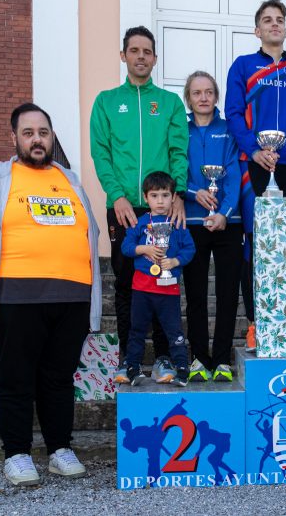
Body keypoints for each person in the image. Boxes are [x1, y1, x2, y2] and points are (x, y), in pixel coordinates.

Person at [0, 103, 101, 487]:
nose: (37, 139)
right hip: (16, 298)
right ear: (14, 138)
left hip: (72, 298)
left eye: (44, 132)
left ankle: (59, 449)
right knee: (15, 377)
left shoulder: (69, 179)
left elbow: (88, 231)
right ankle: (16, 453)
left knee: (58, 377)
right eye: (29, 133)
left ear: (52, 138)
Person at [90, 25, 188, 384]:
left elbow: (180, 151)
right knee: (126, 282)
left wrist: (174, 194)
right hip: (124, 208)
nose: (141, 57)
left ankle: (163, 358)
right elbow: (101, 154)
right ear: (123, 55)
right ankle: (126, 361)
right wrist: (116, 194)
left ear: (155, 58)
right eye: (135, 51)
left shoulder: (170, 103)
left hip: (161, 209)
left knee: (164, 279)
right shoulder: (105, 101)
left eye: (147, 51)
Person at [225, 0, 286, 351]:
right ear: (257, 29)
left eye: (279, 20)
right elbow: (232, 113)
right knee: (255, 246)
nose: (274, 25)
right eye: (267, 20)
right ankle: (255, 325)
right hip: (254, 168)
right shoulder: (243, 66)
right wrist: (254, 149)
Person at [181, 71, 243, 383]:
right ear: (188, 99)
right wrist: (194, 192)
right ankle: (199, 358)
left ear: (216, 96)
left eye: (208, 92)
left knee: (228, 294)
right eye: (196, 93)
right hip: (192, 221)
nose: (203, 97)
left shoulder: (229, 130)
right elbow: (176, 169)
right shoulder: (181, 130)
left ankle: (221, 359)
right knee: (195, 295)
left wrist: (225, 212)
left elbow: (234, 175)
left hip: (228, 223)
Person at [120, 171, 196, 386]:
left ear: (173, 197)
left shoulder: (177, 224)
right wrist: (143, 248)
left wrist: (175, 262)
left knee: (174, 331)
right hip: (142, 288)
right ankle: (132, 366)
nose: (160, 201)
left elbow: (190, 249)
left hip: (168, 289)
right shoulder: (140, 223)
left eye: (165, 195)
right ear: (145, 198)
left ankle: (182, 367)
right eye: (154, 196)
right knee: (137, 330)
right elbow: (125, 247)